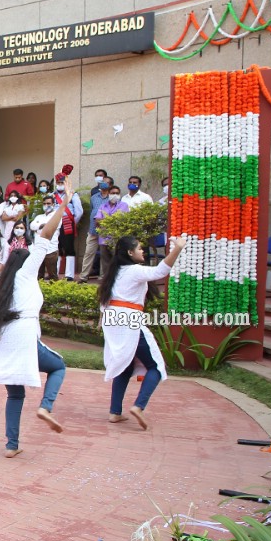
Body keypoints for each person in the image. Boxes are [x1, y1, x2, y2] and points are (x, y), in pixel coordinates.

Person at [0, 177, 73, 457]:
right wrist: (64, 203)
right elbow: (45, 235)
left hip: (4, 339)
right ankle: (46, 406)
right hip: (22, 337)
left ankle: (12, 445)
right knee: (58, 367)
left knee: (15, 394)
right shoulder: (25, 273)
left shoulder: (2, 286)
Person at [98, 234, 187, 430]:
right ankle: (139, 406)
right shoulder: (134, 270)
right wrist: (178, 248)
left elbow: (104, 303)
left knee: (126, 366)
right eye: (139, 248)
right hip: (129, 321)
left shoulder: (114, 272)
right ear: (130, 253)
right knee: (156, 366)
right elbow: (160, 271)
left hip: (114, 321)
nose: (143, 251)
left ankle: (115, 412)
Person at [78, 176, 112, 282]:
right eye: (102, 182)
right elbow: (93, 211)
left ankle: (103, 277)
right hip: (93, 230)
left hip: (106, 231)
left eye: (106, 183)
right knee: (88, 253)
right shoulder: (94, 197)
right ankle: (83, 277)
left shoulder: (112, 198)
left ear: (110, 185)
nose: (103, 184)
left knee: (104, 254)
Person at [93, 186, 130, 278]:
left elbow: (121, 221)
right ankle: (107, 280)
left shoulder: (124, 205)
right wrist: (111, 220)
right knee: (105, 261)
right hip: (103, 238)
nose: (115, 195)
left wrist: (105, 219)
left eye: (117, 193)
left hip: (117, 238)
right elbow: (97, 222)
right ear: (108, 194)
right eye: (113, 193)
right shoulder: (103, 206)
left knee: (118, 259)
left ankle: (120, 279)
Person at [30, 196, 59, 280]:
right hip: (38, 249)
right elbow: (32, 226)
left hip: (51, 249)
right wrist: (42, 226)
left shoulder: (56, 216)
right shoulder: (39, 217)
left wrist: (38, 227)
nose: (46, 205)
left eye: (48, 203)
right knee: (38, 276)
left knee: (52, 276)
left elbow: (50, 227)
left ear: (53, 204)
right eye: (44, 203)